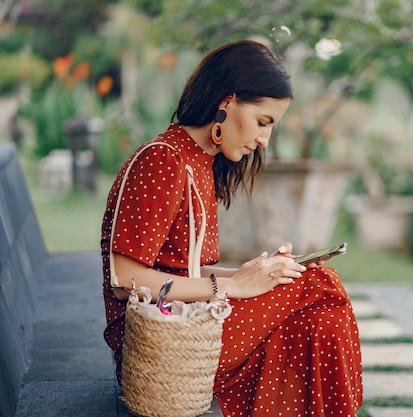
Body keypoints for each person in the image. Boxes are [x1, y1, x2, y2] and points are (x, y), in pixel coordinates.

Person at [100, 39, 363, 416]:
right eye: (262, 122)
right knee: (321, 286)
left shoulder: (198, 163)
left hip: (186, 320)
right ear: (227, 102)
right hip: (159, 341)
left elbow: (185, 271)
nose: (263, 140)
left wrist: (254, 275)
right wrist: (233, 286)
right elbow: (125, 280)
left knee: (316, 318)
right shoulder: (162, 160)